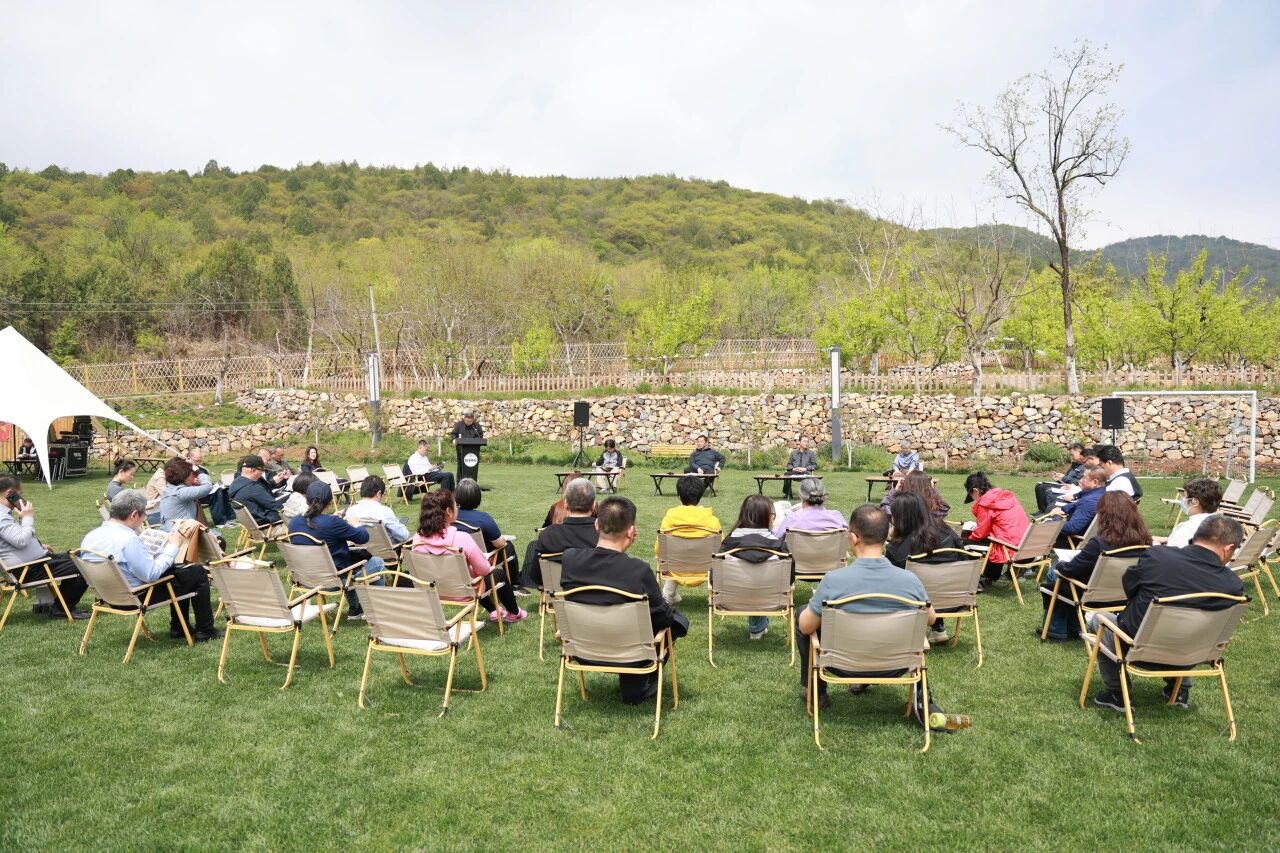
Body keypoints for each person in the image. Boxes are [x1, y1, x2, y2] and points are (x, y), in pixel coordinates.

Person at [795, 505, 967, 731]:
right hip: (897, 665)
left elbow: (806, 627)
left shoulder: (833, 581)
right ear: (887, 536)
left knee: (803, 614)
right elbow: (932, 618)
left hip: (841, 665)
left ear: (853, 538)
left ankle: (816, 691)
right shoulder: (910, 581)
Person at [1091, 515, 1245, 711]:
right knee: (1189, 630)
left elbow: (1130, 588)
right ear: (1229, 548)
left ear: (1197, 536)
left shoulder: (1157, 557)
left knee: (1100, 620)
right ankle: (1179, 689)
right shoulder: (1233, 586)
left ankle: (1118, 693)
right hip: (1193, 654)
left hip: (1138, 649)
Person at [560, 496, 689, 705]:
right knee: (675, 621)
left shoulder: (570, 560)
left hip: (582, 651)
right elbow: (662, 619)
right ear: (631, 531)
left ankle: (635, 685)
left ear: (596, 524)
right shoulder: (638, 571)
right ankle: (637, 686)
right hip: (630, 655)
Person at [79, 490, 220, 641]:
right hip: (136, 597)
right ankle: (204, 631)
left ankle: (179, 627)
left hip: (109, 595)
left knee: (180, 572)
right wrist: (173, 546)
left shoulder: (90, 537)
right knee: (197, 573)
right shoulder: (128, 540)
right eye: (144, 515)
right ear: (134, 515)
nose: (144, 518)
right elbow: (150, 575)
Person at [1040, 491, 1152, 640]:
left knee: (1055, 574)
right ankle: (1074, 626)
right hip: (1124, 594)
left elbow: (1070, 570)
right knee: (1068, 581)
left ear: (1104, 514)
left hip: (1092, 595)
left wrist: (1060, 565)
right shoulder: (1145, 542)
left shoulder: (1100, 543)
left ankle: (1056, 629)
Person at [409, 489, 526, 623]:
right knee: (496, 575)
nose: (457, 508)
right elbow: (484, 570)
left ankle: (494, 610)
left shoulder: (417, 540)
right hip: (463, 592)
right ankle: (514, 613)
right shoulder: (462, 538)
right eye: (456, 506)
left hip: (432, 590)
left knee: (472, 577)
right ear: (449, 511)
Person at [287, 481, 386, 619]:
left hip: (306, 578)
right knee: (376, 562)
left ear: (306, 499)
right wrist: (357, 524)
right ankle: (380, 609)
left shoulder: (295, 522)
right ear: (330, 501)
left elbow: (317, 529)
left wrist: (333, 519)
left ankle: (356, 609)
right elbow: (363, 537)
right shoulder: (332, 522)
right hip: (334, 580)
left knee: (349, 564)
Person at [0, 475, 90, 619]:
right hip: (28, 569)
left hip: (36, 562)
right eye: (20, 494)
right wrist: (27, 517)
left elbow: (13, 538)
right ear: (10, 493)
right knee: (84, 564)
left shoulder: (3, 513)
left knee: (81, 555)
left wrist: (39, 545)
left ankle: (61, 605)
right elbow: (20, 540)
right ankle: (61, 609)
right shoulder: (1, 516)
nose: (21, 497)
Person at [885, 492, 964, 644]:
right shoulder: (945, 530)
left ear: (899, 518)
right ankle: (938, 627)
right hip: (955, 599)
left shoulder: (897, 550)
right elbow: (963, 555)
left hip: (919, 604)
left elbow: (890, 582)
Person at [718, 494, 791, 640]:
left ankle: (757, 627)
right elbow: (790, 578)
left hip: (731, 599)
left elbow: (715, 579)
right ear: (766, 517)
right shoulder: (780, 548)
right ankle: (758, 628)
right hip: (770, 597)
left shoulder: (726, 547)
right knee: (760, 582)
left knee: (754, 581)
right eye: (772, 514)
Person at [656, 475, 722, 604]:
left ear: (679, 496)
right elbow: (720, 549)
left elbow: (659, 549)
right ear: (700, 496)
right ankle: (713, 596)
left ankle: (669, 593)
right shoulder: (713, 521)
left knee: (670, 556)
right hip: (705, 568)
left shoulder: (668, 520)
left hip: (675, 567)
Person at [962, 473, 1031, 592]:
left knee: (964, 544)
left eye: (971, 495)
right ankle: (989, 577)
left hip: (1010, 548)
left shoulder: (985, 503)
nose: (973, 500)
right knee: (993, 539)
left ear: (975, 491)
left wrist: (968, 536)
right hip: (1025, 545)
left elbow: (980, 534)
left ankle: (978, 579)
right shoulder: (1006, 496)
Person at [525, 478, 599, 590]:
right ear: (594, 505)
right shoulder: (605, 536)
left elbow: (537, 577)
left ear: (565, 504)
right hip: (595, 594)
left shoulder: (548, 535)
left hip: (559, 595)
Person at [452, 478, 522, 592]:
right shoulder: (483, 518)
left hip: (456, 558)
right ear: (477, 496)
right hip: (482, 559)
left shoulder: (450, 517)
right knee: (508, 546)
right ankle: (515, 585)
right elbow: (500, 544)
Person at [1042, 465, 1106, 547]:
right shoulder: (1101, 493)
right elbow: (1077, 504)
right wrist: (1064, 509)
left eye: (1084, 478)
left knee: (1040, 527)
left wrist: (1050, 523)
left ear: (1095, 483)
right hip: (1085, 536)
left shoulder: (1089, 502)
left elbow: (1072, 528)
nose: (1080, 480)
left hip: (1068, 541)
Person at [344, 475, 411, 544]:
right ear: (378, 494)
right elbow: (403, 536)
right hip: (388, 550)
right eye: (383, 494)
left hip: (360, 549)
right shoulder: (384, 511)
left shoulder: (350, 511)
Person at [774, 477, 847, 540]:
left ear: (801, 496)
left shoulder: (793, 518)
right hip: (831, 552)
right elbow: (847, 535)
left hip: (799, 552)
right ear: (824, 495)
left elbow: (777, 538)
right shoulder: (836, 517)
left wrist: (775, 525)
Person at [1159, 477, 1222, 548]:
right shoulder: (1222, 524)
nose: (1183, 500)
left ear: (1195, 502)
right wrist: (1167, 539)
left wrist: (1155, 544)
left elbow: (1172, 552)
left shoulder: (1187, 528)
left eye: (1185, 497)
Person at [158, 456, 216, 529]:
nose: (194, 477)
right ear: (185, 477)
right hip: (179, 533)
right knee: (216, 536)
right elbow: (207, 487)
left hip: (171, 529)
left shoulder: (171, 488)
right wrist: (199, 471)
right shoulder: (181, 492)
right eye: (192, 475)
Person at [227, 455, 283, 527]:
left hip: (252, 525)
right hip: (266, 526)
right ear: (253, 470)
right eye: (262, 470)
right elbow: (277, 507)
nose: (262, 473)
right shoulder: (253, 488)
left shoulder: (235, 484)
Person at [1034, 442, 1087, 512]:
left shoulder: (1084, 467)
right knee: (1039, 486)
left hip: (1072, 489)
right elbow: (1067, 478)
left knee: (1047, 491)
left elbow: (1078, 482)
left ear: (1079, 452)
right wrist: (1058, 479)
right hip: (1065, 485)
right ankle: (1041, 511)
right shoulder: (1074, 464)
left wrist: (1063, 478)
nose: (1071, 457)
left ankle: (1045, 512)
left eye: (1072, 455)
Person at [880, 470, 949, 519]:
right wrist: (932, 491)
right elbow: (944, 508)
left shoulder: (902, 507)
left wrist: (894, 491)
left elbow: (884, 508)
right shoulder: (933, 510)